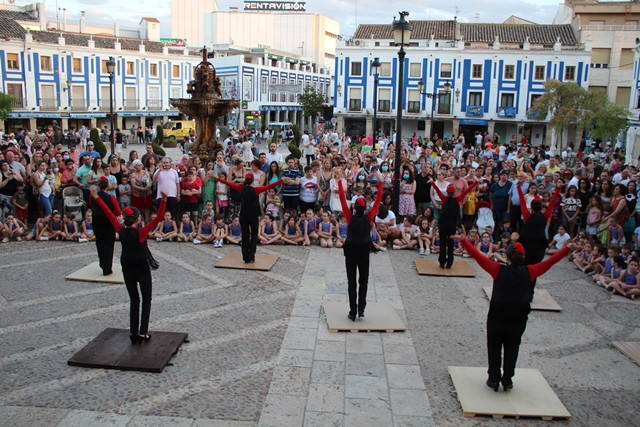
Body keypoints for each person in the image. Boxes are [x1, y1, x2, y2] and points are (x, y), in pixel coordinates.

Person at [452, 230, 574, 391]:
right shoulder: (529, 272)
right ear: (523, 258)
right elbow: (549, 262)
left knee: (494, 345)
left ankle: (494, 378)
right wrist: (567, 249)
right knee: (513, 346)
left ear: (507, 257)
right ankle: (508, 379)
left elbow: (479, 257)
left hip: (497, 316)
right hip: (518, 318)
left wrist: (464, 242)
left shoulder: (498, 269)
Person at [91, 187, 168, 345]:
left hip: (128, 269)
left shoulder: (120, 230)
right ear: (138, 219)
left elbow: (108, 213)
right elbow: (159, 217)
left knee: (134, 301)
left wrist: (96, 197)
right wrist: (164, 200)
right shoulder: (141, 233)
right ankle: (143, 332)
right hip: (142, 269)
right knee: (146, 300)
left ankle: (133, 332)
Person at [337, 175, 383, 321]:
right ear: (365, 208)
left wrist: (339, 181)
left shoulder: (349, 217)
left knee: (352, 282)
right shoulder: (369, 217)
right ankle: (361, 309)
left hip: (350, 252)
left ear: (355, 207)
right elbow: (378, 200)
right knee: (364, 280)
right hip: (364, 252)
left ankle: (352, 311)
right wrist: (380, 182)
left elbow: (342, 198)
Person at [215, 172, 286, 263]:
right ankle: (251, 256)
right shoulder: (256, 190)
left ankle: (245, 257)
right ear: (252, 180)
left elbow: (228, 183)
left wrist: (217, 177)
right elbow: (269, 186)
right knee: (254, 235)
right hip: (253, 215)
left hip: (243, 215)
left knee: (245, 235)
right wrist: (281, 180)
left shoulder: (241, 188)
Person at [432, 181, 477, 269]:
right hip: (452, 225)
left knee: (443, 243)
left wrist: (432, 183)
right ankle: (449, 262)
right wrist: (475, 183)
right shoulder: (458, 199)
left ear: (447, 192)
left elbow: (437, 190)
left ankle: (442, 262)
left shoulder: (444, 198)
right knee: (451, 243)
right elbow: (466, 190)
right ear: (454, 192)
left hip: (443, 224)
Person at [88, 176, 121, 275]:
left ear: (98, 185)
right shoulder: (111, 198)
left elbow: (90, 206)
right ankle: (107, 267)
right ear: (107, 186)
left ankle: (102, 262)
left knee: (100, 243)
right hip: (108, 223)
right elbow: (118, 211)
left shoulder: (92, 196)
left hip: (97, 222)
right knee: (109, 245)